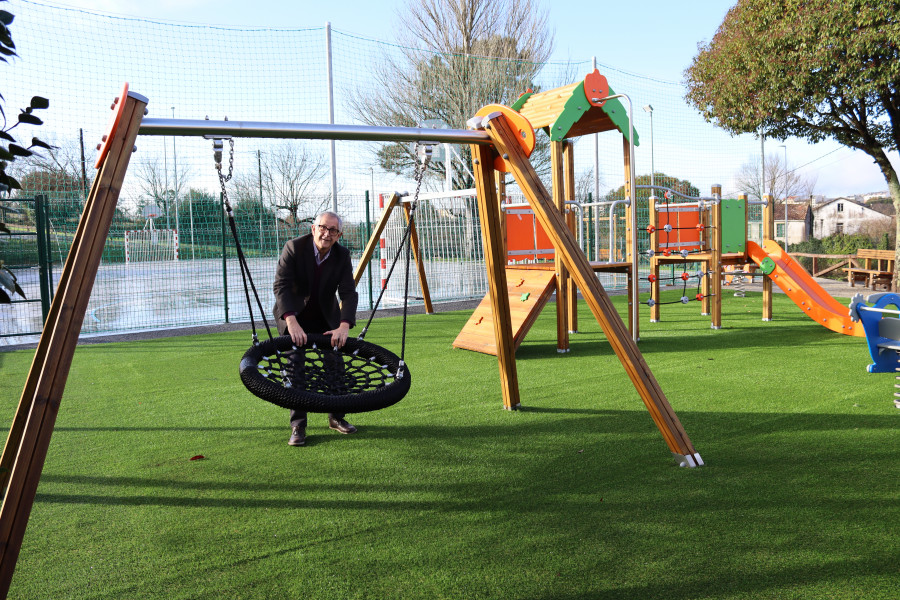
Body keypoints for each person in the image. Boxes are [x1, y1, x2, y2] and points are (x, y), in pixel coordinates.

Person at [273, 211, 359, 446]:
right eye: (323, 227)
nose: (327, 233)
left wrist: (343, 326)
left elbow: (348, 292)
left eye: (333, 230)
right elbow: (281, 286)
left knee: (335, 363)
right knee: (295, 363)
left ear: (339, 234)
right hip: (294, 313)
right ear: (313, 228)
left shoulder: (342, 255)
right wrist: (290, 321)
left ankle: (336, 417)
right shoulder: (294, 248)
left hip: (324, 316)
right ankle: (298, 425)